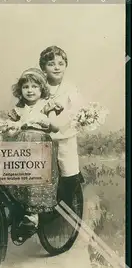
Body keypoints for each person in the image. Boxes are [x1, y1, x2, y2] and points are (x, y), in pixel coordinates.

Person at [6, 67, 62, 234]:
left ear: (42, 89)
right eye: (26, 87)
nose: (30, 90)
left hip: (39, 147)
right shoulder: (18, 109)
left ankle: (33, 217)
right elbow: (10, 131)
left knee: (34, 181)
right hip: (21, 148)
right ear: (20, 90)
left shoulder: (46, 105)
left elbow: (55, 126)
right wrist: (12, 127)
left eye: (34, 86)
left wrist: (44, 120)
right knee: (11, 174)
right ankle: (16, 209)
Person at [39, 45, 84, 208]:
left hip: (65, 135)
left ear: (65, 65)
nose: (56, 67)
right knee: (39, 173)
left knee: (68, 172)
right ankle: (37, 208)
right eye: (51, 64)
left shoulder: (70, 88)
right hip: (44, 136)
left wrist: (62, 119)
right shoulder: (39, 87)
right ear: (43, 67)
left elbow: (76, 109)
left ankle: (64, 204)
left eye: (60, 63)